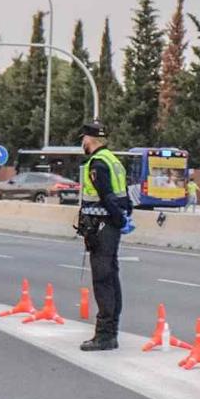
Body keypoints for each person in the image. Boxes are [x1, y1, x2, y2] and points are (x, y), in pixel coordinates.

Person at [77, 122, 132, 351]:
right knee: (111, 278)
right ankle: (111, 331)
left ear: (89, 139)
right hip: (109, 228)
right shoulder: (113, 160)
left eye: (83, 139)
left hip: (102, 228)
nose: (82, 143)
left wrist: (119, 220)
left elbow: (107, 196)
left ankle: (105, 335)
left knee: (102, 281)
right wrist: (126, 217)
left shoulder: (97, 164)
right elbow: (124, 195)